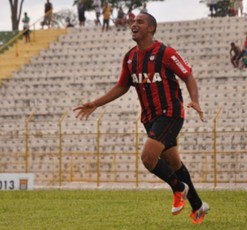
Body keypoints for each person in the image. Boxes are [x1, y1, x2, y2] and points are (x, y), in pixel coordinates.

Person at [73, 12, 209, 225]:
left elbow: (187, 75)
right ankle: (198, 206)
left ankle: (178, 188)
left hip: (170, 113)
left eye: (139, 22)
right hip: (149, 117)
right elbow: (122, 86)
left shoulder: (165, 53)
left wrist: (195, 100)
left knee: (148, 158)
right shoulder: (130, 57)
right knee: (173, 163)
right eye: (133, 21)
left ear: (151, 29)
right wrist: (96, 103)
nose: (133, 24)